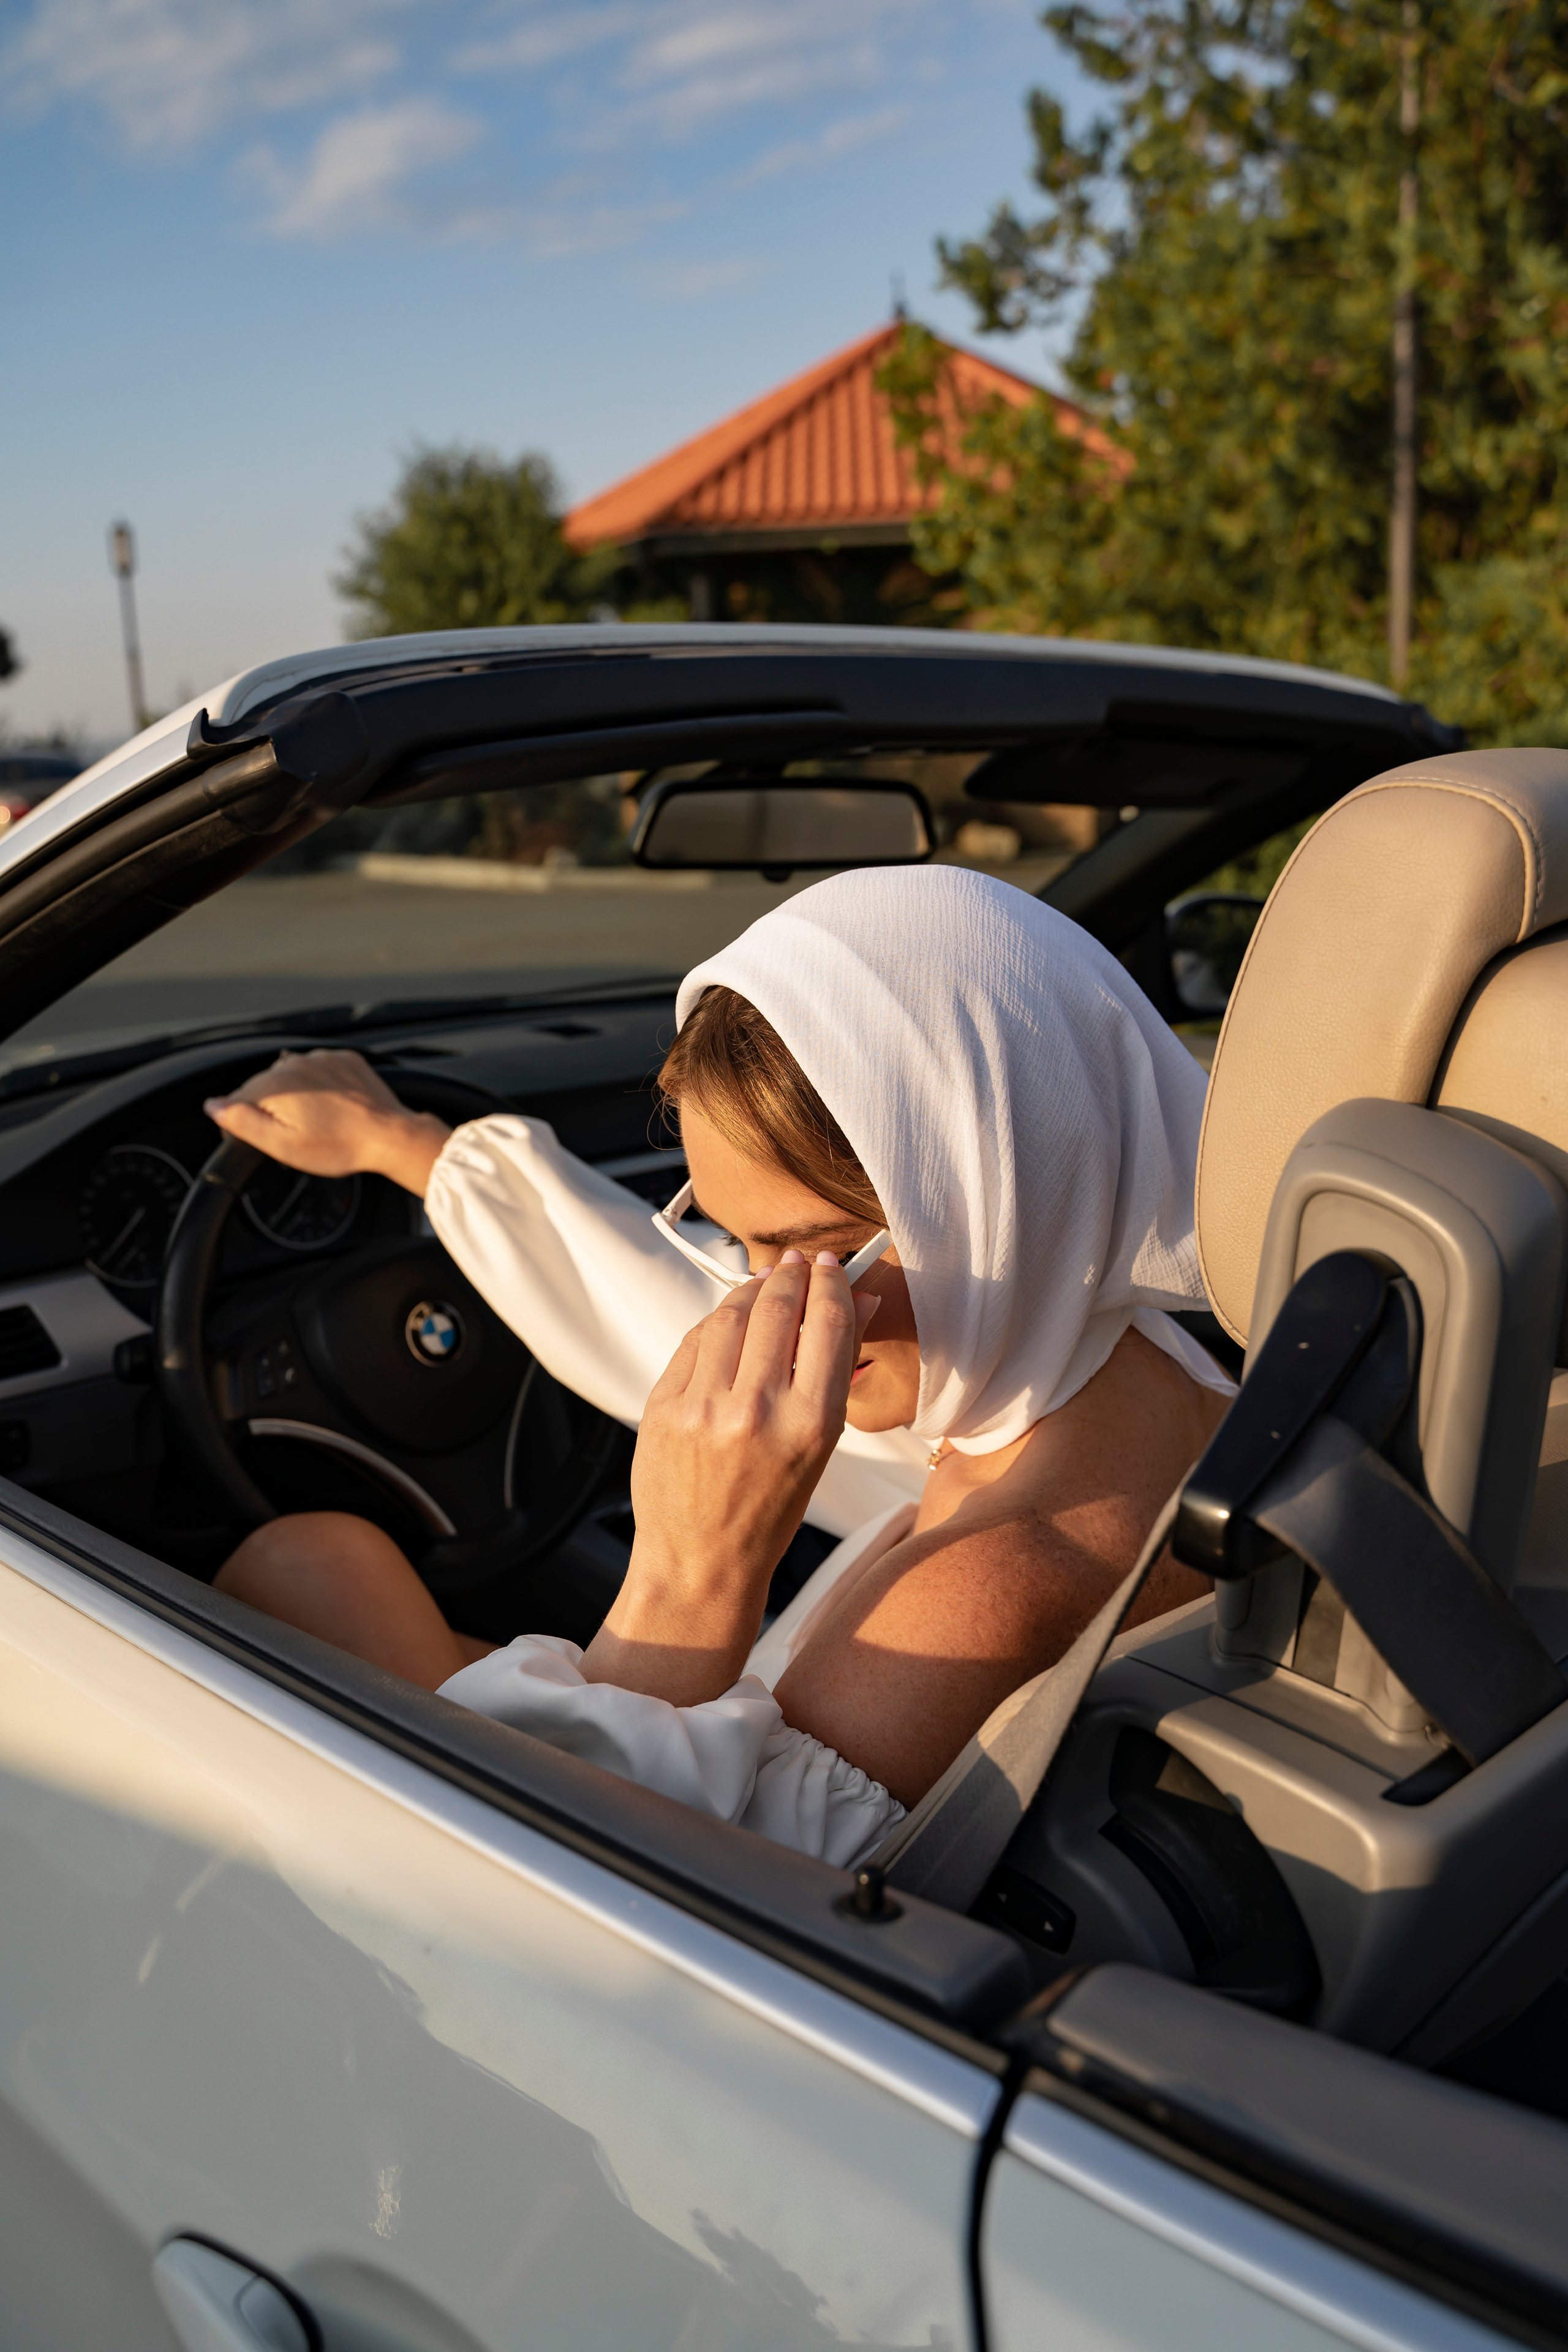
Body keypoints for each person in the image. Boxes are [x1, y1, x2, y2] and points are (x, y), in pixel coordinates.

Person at [208, 867, 1233, 1868]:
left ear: (1000, 1199)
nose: (764, 1305)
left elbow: (524, 1902)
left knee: (300, 1583)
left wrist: (689, 1575)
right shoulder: (1116, 1364)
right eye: (737, 1243)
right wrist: (414, 1150)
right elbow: (662, 1301)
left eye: (819, 1253)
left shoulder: (984, 1593)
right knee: (316, 1565)